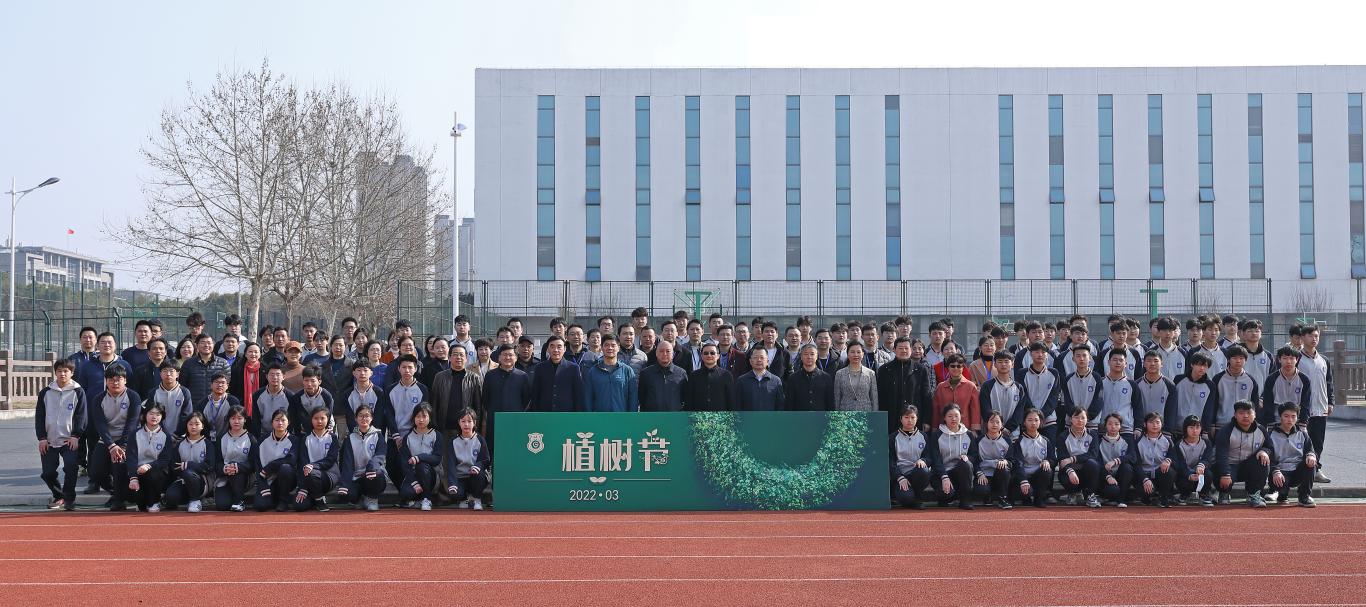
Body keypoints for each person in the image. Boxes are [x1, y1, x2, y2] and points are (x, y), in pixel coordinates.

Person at [89, 365, 141, 510]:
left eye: (119, 379)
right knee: (96, 473)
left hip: (127, 439)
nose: (115, 382)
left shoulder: (133, 396)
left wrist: (123, 446)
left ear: (125, 380)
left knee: (119, 467)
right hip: (107, 440)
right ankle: (115, 492)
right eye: (111, 379)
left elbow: (132, 423)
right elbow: (100, 424)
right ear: (106, 381)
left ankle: (119, 500)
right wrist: (111, 445)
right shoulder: (98, 399)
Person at [37, 359, 86, 510]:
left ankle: (69, 498)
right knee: (48, 473)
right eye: (59, 371)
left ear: (72, 373)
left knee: (71, 467)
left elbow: (81, 416)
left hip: (69, 440)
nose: (62, 374)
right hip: (49, 440)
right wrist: (42, 438)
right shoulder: (46, 392)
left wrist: (75, 436)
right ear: (55, 372)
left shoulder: (78, 391)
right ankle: (59, 495)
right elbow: (40, 416)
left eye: (66, 371)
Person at [1213, 400, 1273, 508]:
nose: (1245, 416)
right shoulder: (1226, 430)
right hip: (1229, 466)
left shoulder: (1261, 430)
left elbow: (1270, 447)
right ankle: (1223, 493)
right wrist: (1225, 473)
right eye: (1241, 413)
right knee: (1218, 467)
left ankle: (1253, 494)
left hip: (1248, 466)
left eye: (1249, 413)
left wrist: (1264, 451)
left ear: (1255, 414)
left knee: (1263, 460)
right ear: (1235, 415)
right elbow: (1221, 455)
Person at [1296, 325, 1334, 484]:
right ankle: (1298, 473)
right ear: (1302, 338)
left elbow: (1329, 382)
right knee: (1300, 441)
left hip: (1321, 407)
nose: (1314, 339)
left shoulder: (1324, 360)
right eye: (1310, 335)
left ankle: (1316, 470)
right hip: (1301, 409)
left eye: (1316, 336)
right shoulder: (1296, 358)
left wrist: (1330, 402)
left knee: (1318, 441)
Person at [482, 345, 530, 458]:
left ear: (516, 358)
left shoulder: (522, 376)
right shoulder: (490, 375)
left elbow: (526, 399)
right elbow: (485, 398)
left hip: (515, 420)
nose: (507, 357)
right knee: (494, 450)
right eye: (504, 355)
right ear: (499, 358)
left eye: (510, 355)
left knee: (514, 449)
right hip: (494, 420)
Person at [877, 337, 933, 433]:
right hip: (891, 419)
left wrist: (926, 420)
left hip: (914, 419)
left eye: (906, 348)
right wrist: (881, 419)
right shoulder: (884, 370)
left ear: (911, 349)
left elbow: (926, 396)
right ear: (894, 350)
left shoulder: (921, 369)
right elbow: (880, 397)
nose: (904, 351)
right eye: (900, 348)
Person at [338, 403, 387, 512]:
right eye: (360, 415)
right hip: (357, 477)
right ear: (356, 418)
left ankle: (372, 499)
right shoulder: (350, 438)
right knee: (347, 495)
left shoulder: (378, 436)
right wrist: (344, 484)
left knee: (375, 476)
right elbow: (347, 463)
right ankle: (360, 498)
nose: (364, 418)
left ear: (372, 418)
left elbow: (380, 455)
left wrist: (371, 467)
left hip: (373, 474)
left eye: (367, 416)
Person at [162, 411, 215, 512]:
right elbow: (174, 466)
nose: (193, 427)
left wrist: (189, 465)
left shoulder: (208, 444)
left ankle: (195, 500)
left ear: (203, 426)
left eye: (197, 424)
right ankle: (189, 498)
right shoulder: (180, 444)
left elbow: (209, 466)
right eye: (190, 424)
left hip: (202, 481)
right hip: (184, 480)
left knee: (189, 473)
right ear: (186, 425)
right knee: (171, 496)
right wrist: (182, 470)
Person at [1266, 402, 1317, 507]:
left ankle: (1304, 497)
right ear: (1280, 416)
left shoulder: (1302, 434)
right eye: (1286, 416)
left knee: (1311, 463)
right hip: (1279, 472)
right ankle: (1280, 494)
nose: (1290, 419)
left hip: (1297, 470)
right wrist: (1275, 471)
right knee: (1282, 496)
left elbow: (1310, 450)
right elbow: (1268, 456)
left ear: (1297, 418)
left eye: (1293, 416)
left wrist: (1311, 455)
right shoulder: (1270, 434)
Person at [126, 402, 174, 512]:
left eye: (158, 414)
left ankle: (155, 501)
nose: (154, 417)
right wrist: (133, 478)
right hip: (138, 471)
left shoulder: (166, 436)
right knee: (137, 499)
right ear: (144, 415)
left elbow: (165, 460)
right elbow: (131, 457)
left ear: (162, 417)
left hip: (156, 472)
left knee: (153, 473)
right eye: (151, 413)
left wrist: (148, 465)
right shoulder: (135, 434)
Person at [927, 404, 976, 510]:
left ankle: (965, 500)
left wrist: (968, 458)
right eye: (950, 416)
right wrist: (944, 477)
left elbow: (974, 455)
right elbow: (936, 459)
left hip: (960, 473)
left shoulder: (969, 435)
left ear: (961, 416)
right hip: (942, 474)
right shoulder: (937, 435)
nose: (953, 419)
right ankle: (947, 497)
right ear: (944, 418)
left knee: (966, 464)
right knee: (945, 494)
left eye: (956, 416)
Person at [293, 406, 340, 512]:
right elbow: (303, 463)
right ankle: (314, 497)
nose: (319, 421)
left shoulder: (333, 438)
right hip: (309, 477)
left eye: (322, 418)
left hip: (329, 475)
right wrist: (303, 487)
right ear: (311, 420)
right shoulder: (306, 439)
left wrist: (313, 466)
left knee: (312, 473)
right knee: (299, 506)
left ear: (328, 419)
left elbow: (330, 460)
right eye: (316, 418)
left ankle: (319, 500)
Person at [445, 407, 491, 510]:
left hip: (474, 476)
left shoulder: (480, 440)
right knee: (455, 492)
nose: (466, 424)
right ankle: (464, 499)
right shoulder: (453, 441)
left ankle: (476, 499)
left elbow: (486, 459)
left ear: (474, 423)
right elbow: (451, 464)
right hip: (460, 477)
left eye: (469, 421)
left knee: (479, 476)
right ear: (459, 423)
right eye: (463, 421)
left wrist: (477, 466)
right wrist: (452, 483)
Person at [399, 403, 443, 511]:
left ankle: (426, 499)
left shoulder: (436, 435)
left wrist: (419, 457)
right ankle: (417, 500)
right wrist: (414, 482)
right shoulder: (408, 437)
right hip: (414, 475)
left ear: (430, 418)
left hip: (431, 475)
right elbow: (405, 463)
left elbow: (437, 459)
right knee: (405, 493)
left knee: (421, 465)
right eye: (418, 416)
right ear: (413, 418)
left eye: (424, 416)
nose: (421, 420)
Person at [253, 409, 297, 512]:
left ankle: (283, 501)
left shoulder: (294, 440)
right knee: (260, 506)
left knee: (285, 468)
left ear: (288, 422)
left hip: (286, 479)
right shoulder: (262, 440)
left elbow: (291, 460)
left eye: (283, 420)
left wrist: (270, 466)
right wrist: (263, 485)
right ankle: (273, 498)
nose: (280, 423)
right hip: (267, 479)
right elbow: (257, 465)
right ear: (272, 422)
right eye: (277, 420)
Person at [1056, 407, 1101, 508]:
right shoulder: (1063, 436)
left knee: (1093, 464)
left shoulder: (1093, 434)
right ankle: (1072, 493)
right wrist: (1070, 470)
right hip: (1071, 471)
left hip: (1086, 470)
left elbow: (1093, 455)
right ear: (1071, 419)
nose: (1079, 420)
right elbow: (1062, 460)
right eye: (1076, 417)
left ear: (1087, 420)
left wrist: (1072, 459)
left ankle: (1090, 495)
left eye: (1082, 417)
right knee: (1065, 475)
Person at [1010, 408, 1055, 508]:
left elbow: (1053, 459)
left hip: (1038, 476)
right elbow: (1018, 463)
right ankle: (1026, 498)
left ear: (1041, 422)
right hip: (1023, 477)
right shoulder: (1019, 441)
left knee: (1047, 470)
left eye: (1036, 420)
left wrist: (1047, 461)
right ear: (1024, 422)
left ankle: (1039, 499)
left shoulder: (1045, 441)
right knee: (1026, 492)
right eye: (1029, 420)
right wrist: (1023, 480)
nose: (1033, 423)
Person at [1088, 412, 1135, 508]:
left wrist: (1115, 461)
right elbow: (1098, 462)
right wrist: (1107, 476)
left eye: (1116, 424)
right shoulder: (1099, 441)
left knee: (1127, 467)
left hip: (1120, 475)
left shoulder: (1127, 441)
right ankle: (1104, 497)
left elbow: (1132, 457)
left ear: (1120, 426)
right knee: (1113, 491)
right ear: (1105, 425)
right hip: (1104, 477)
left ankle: (1121, 499)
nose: (1113, 427)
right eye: (1110, 424)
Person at [214, 405, 255, 512]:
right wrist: (225, 468)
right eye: (233, 418)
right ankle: (229, 495)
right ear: (228, 420)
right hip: (225, 477)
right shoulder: (221, 438)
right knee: (222, 505)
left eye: (239, 418)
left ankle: (239, 501)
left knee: (237, 471)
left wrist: (237, 467)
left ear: (245, 420)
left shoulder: (251, 439)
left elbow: (253, 463)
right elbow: (216, 463)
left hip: (243, 477)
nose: (236, 421)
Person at [582, 335, 639, 412]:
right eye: (606, 345)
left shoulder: (627, 371)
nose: (610, 348)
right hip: (599, 417)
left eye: (613, 345)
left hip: (622, 416)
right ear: (601, 348)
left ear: (618, 348)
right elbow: (588, 398)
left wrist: (631, 416)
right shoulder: (593, 372)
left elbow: (633, 398)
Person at [889, 405, 931, 509]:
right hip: (901, 476)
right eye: (906, 417)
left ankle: (917, 498)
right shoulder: (893, 437)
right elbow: (890, 460)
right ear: (901, 419)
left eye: (913, 417)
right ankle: (908, 497)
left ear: (917, 418)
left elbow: (929, 456)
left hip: (917, 474)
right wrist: (899, 477)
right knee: (905, 497)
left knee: (923, 470)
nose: (910, 420)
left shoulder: (923, 436)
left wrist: (923, 460)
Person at [1212, 345, 1262, 430]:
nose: (1238, 361)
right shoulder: (1218, 379)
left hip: (1244, 424)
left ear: (1246, 360)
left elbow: (1255, 404)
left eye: (1241, 358)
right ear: (1228, 360)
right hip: (1222, 424)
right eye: (1234, 358)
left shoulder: (1250, 380)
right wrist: (1212, 424)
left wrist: (1254, 422)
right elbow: (1213, 403)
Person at [1169, 415, 1215, 507]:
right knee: (1180, 477)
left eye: (1197, 427)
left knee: (1208, 474)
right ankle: (1184, 494)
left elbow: (1207, 459)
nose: (1195, 431)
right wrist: (1189, 475)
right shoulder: (1179, 445)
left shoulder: (1206, 443)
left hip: (1200, 473)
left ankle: (1203, 495)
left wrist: (1201, 465)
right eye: (1191, 427)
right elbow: (1180, 465)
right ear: (1185, 429)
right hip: (1186, 474)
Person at [1093, 348, 1142, 434]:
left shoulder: (1132, 385)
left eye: (1121, 360)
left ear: (1125, 364)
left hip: (1125, 429)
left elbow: (1138, 407)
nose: (1118, 363)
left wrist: (1138, 428)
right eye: (1115, 360)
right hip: (1103, 429)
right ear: (1108, 362)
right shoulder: (1100, 383)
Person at [1132, 412, 1176, 507]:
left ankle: (1164, 497)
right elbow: (1136, 464)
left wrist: (1168, 460)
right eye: (1151, 422)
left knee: (1170, 471)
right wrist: (1144, 479)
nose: (1155, 425)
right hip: (1145, 475)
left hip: (1160, 473)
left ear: (1162, 424)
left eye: (1157, 422)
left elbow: (1173, 457)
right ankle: (1148, 497)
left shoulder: (1167, 441)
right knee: (1145, 492)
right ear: (1145, 424)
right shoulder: (1138, 442)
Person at [339, 359, 390, 438]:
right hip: (355, 434)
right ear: (354, 373)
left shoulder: (379, 393)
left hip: (374, 434)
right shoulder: (347, 394)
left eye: (365, 370)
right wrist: (358, 433)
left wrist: (370, 433)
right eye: (359, 370)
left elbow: (378, 417)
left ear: (371, 373)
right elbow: (350, 418)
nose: (362, 373)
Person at [1263, 347, 1311, 427]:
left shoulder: (1304, 379)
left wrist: (1303, 422)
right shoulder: (1271, 379)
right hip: (1276, 421)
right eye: (1285, 358)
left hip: (1297, 422)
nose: (1288, 361)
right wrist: (1270, 422)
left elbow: (1306, 403)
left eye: (1292, 358)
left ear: (1297, 359)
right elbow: (1268, 403)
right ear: (1279, 359)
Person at [979, 352, 1025, 436]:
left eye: (1006, 361)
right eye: (1000, 361)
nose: (1003, 364)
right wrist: (1000, 427)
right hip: (992, 432)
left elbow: (1019, 412)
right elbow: (985, 409)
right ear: (994, 364)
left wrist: (1009, 428)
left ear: (1012, 364)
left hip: (1013, 433)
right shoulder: (987, 386)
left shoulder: (1019, 388)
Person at [1172, 352, 1218, 435]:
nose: (1202, 368)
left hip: (1196, 430)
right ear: (1192, 364)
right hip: (1176, 428)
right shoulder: (1178, 379)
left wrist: (1205, 430)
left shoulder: (1210, 385)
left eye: (1205, 366)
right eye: (1199, 365)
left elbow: (1209, 410)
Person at [145, 361, 192, 440]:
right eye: (165, 371)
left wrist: (177, 434)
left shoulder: (184, 392)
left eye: (171, 371)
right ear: (160, 374)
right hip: (157, 435)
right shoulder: (154, 392)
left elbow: (186, 415)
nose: (168, 374)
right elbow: (151, 415)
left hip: (179, 436)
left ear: (177, 374)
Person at [181, 333, 230, 408]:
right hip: (194, 405)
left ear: (213, 345)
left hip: (217, 405)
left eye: (209, 343)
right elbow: (183, 385)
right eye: (203, 342)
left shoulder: (223, 363)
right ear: (196, 345)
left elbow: (228, 385)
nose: (206, 345)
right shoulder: (188, 364)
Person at [638, 340, 688, 412]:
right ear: (656, 353)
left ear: (673, 354)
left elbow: (685, 397)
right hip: (652, 416)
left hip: (675, 416)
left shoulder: (681, 373)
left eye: (668, 351)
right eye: (661, 351)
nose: (664, 354)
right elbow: (641, 398)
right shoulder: (646, 373)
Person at [1135, 350, 1177, 435]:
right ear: (1144, 364)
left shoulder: (1170, 385)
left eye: (1156, 361)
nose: (1152, 364)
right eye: (1149, 361)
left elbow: (1171, 411)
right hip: (1141, 430)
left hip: (1162, 431)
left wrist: (1167, 431)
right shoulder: (1136, 384)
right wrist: (1138, 427)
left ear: (1162, 364)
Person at [932, 353, 978, 429]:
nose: (956, 368)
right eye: (952, 366)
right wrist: (934, 428)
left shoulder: (971, 386)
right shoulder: (940, 387)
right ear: (948, 367)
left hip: (965, 428)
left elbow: (975, 410)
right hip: (944, 428)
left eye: (959, 366)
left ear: (963, 368)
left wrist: (975, 429)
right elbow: (936, 410)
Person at [687, 343, 736, 411]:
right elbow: (689, 400)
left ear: (718, 356)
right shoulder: (694, 375)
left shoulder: (726, 375)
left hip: (720, 416)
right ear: (701, 356)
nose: (709, 355)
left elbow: (731, 400)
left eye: (712, 353)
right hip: (699, 416)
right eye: (706, 353)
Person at [786, 344, 834, 411]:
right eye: (806, 354)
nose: (809, 357)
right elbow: (789, 403)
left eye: (812, 354)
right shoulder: (793, 378)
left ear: (817, 356)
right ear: (801, 357)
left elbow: (830, 402)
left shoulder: (826, 377)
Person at [833, 342, 878, 412]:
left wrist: (875, 414)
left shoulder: (870, 373)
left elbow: (874, 398)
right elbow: (837, 398)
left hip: (866, 413)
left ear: (863, 354)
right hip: (845, 414)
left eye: (858, 352)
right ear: (847, 354)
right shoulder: (840, 374)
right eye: (852, 352)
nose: (855, 355)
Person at [251, 364, 293, 438]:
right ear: (266, 376)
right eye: (272, 374)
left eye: (278, 374)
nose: (275, 377)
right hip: (262, 435)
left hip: (283, 435)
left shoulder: (290, 396)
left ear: (283, 377)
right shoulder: (257, 395)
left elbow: (291, 420)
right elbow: (255, 419)